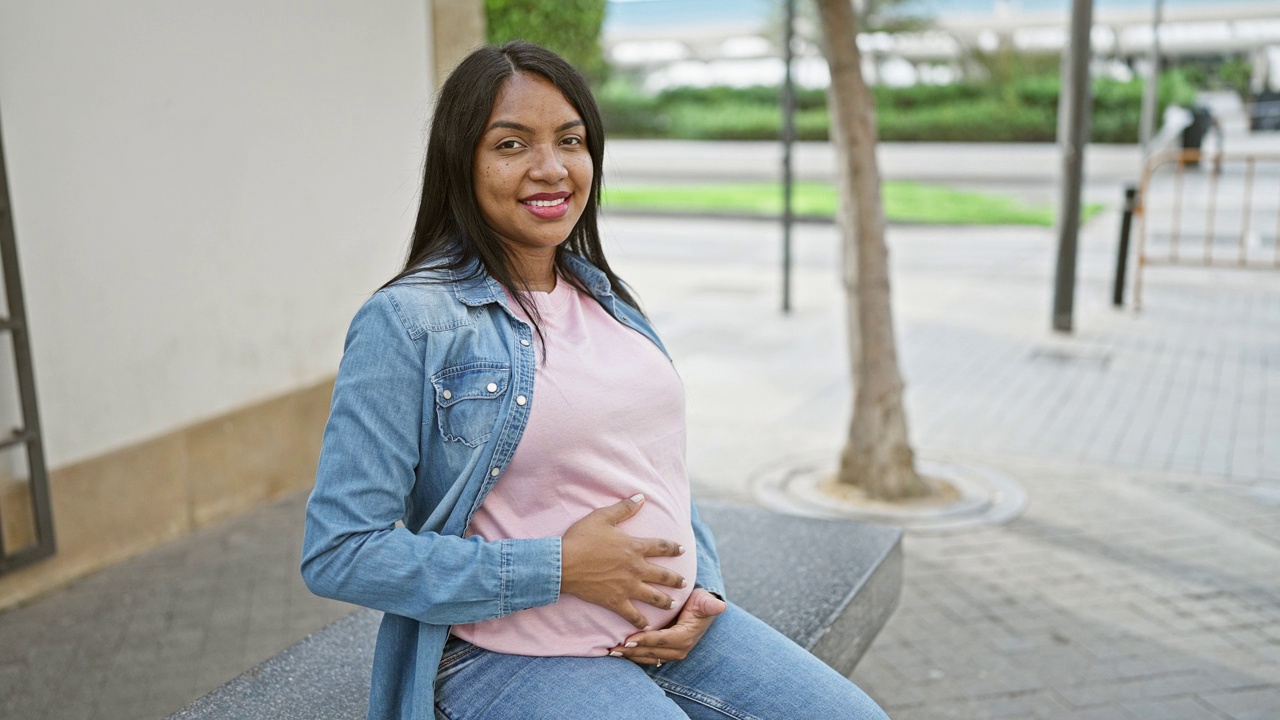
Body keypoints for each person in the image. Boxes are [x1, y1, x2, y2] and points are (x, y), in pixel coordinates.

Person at [301, 40, 891, 720]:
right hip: (509, 650)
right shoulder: (409, 321)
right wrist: (557, 567)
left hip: (670, 633)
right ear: (460, 163)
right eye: (512, 145)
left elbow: (654, 469)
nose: (550, 169)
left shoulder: (604, 295)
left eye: (570, 140)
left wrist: (705, 590)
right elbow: (342, 550)